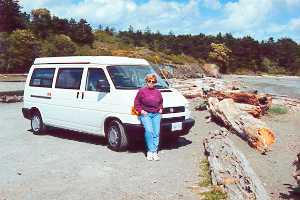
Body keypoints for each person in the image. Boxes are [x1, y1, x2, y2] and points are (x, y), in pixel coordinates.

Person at [134, 74, 163, 161]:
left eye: (153, 81)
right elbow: (136, 103)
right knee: (149, 131)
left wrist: (161, 108)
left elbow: (161, 102)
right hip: (146, 114)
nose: (151, 83)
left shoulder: (158, 92)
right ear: (146, 81)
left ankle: (154, 152)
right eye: (149, 81)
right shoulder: (141, 91)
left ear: (155, 82)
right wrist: (141, 111)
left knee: (156, 132)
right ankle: (150, 151)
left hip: (156, 115)